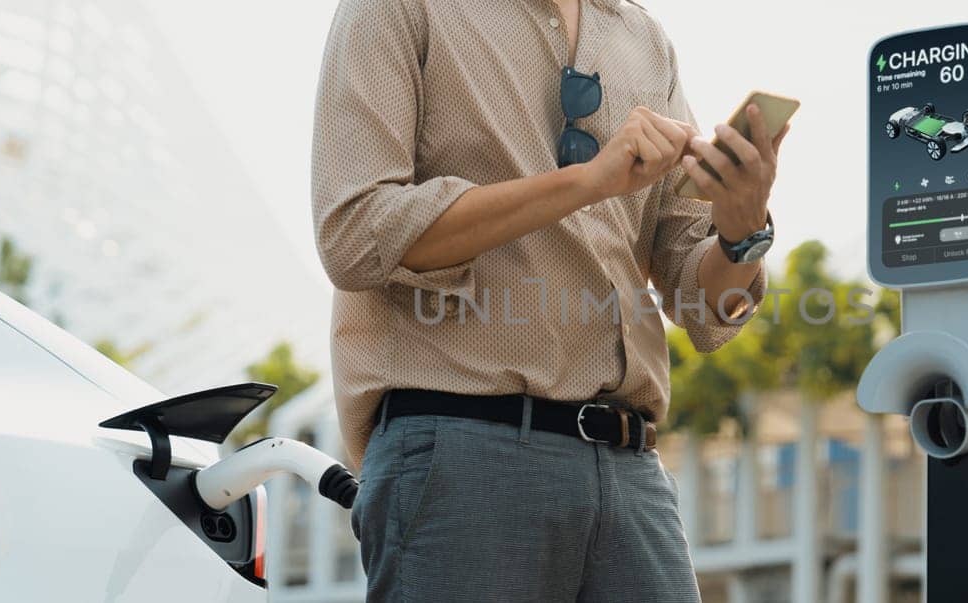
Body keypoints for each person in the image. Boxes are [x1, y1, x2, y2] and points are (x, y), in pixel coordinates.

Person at [311, 0, 788, 600]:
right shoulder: (398, 8)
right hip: (463, 456)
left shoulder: (642, 38)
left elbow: (699, 304)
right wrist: (586, 183)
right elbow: (354, 233)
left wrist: (742, 233)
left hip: (629, 470)